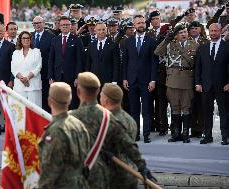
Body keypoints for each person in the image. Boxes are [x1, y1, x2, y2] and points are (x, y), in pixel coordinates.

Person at [70, 72, 156, 189]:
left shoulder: (73, 118)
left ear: (78, 92)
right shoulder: (117, 119)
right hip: (127, 173)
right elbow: (128, 145)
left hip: (101, 176)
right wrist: (141, 165)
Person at [38, 82, 90, 189]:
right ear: (70, 101)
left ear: (49, 101)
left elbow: (50, 172)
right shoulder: (79, 124)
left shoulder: (55, 131)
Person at [154, 23, 199, 143]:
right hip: (172, 80)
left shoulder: (194, 45)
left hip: (187, 80)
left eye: (184, 31)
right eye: (180, 32)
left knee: (186, 107)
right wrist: (166, 40)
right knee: (175, 107)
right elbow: (157, 52)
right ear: (176, 35)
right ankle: (176, 133)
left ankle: (185, 134)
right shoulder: (170, 44)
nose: (183, 34)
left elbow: (198, 65)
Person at [122, 15, 158, 143]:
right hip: (131, 81)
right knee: (134, 109)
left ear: (145, 24)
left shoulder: (152, 41)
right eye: (138, 23)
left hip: (146, 81)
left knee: (147, 109)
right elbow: (125, 61)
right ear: (134, 25)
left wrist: (153, 80)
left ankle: (147, 134)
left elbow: (154, 62)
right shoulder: (128, 41)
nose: (141, 25)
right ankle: (135, 134)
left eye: (143, 22)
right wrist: (124, 78)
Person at [195, 23, 229, 145]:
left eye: (215, 30)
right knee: (207, 112)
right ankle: (207, 136)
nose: (213, 33)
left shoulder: (227, 46)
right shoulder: (202, 47)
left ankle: (225, 136)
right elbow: (198, 68)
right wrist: (197, 83)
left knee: (224, 111)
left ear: (220, 31)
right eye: (211, 31)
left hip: (223, 86)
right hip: (206, 85)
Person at [100, 83, 138, 189]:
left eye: (101, 96)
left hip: (114, 177)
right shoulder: (130, 120)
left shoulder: (107, 121)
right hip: (130, 173)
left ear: (106, 100)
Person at [48, 16, 84, 110]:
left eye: (67, 25)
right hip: (57, 76)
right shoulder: (54, 40)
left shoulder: (77, 40)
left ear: (70, 26)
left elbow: (80, 60)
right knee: (58, 100)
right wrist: (51, 77)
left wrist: (77, 77)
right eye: (63, 25)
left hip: (72, 77)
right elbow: (51, 60)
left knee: (72, 101)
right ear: (59, 26)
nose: (65, 27)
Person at [187, 21, 208, 138]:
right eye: (192, 28)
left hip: (202, 77)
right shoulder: (185, 42)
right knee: (190, 104)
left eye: (196, 28)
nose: (194, 30)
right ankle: (193, 129)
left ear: (200, 30)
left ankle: (201, 128)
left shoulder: (205, 42)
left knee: (201, 104)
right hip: (188, 77)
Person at [11, 31, 42, 107]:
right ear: (20, 40)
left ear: (31, 40)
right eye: (24, 38)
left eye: (28, 38)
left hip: (33, 86)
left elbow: (38, 67)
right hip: (19, 86)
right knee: (20, 112)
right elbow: (13, 69)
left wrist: (27, 78)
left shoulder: (36, 51)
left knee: (34, 111)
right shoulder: (15, 52)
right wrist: (23, 79)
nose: (26, 40)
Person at [32, 16, 55, 112]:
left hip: (45, 73)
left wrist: (51, 75)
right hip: (32, 74)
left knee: (45, 98)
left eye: (39, 23)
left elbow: (52, 57)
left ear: (44, 23)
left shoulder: (51, 37)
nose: (37, 25)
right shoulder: (30, 36)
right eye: (35, 23)